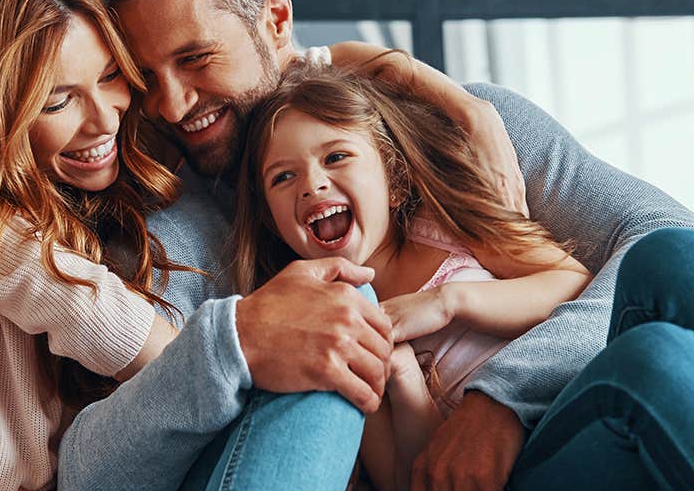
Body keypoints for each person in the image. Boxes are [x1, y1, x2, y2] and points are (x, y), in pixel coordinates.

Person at [64, 0, 694, 489]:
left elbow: (678, 259)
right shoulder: (155, 228)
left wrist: (500, 398)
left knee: (662, 352)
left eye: (197, 59)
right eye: (144, 76)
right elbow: (93, 461)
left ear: (275, 18)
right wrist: (235, 337)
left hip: (582, 428)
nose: (170, 104)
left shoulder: (456, 128)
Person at [0, 0, 379, 490]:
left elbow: (274, 74)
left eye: (111, 75)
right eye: (57, 100)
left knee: (339, 305)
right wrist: (241, 344)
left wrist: (392, 72)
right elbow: (66, 297)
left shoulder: (66, 170)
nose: (104, 122)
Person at [232, 65, 592, 491]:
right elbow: (406, 481)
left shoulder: (446, 229)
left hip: (571, 411)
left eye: (336, 157)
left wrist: (447, 301)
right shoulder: (331, 332)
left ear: (393, 178)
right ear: (273, 224)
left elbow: (574, 282)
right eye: (283, 177)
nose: (311, 185)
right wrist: (403, 377)